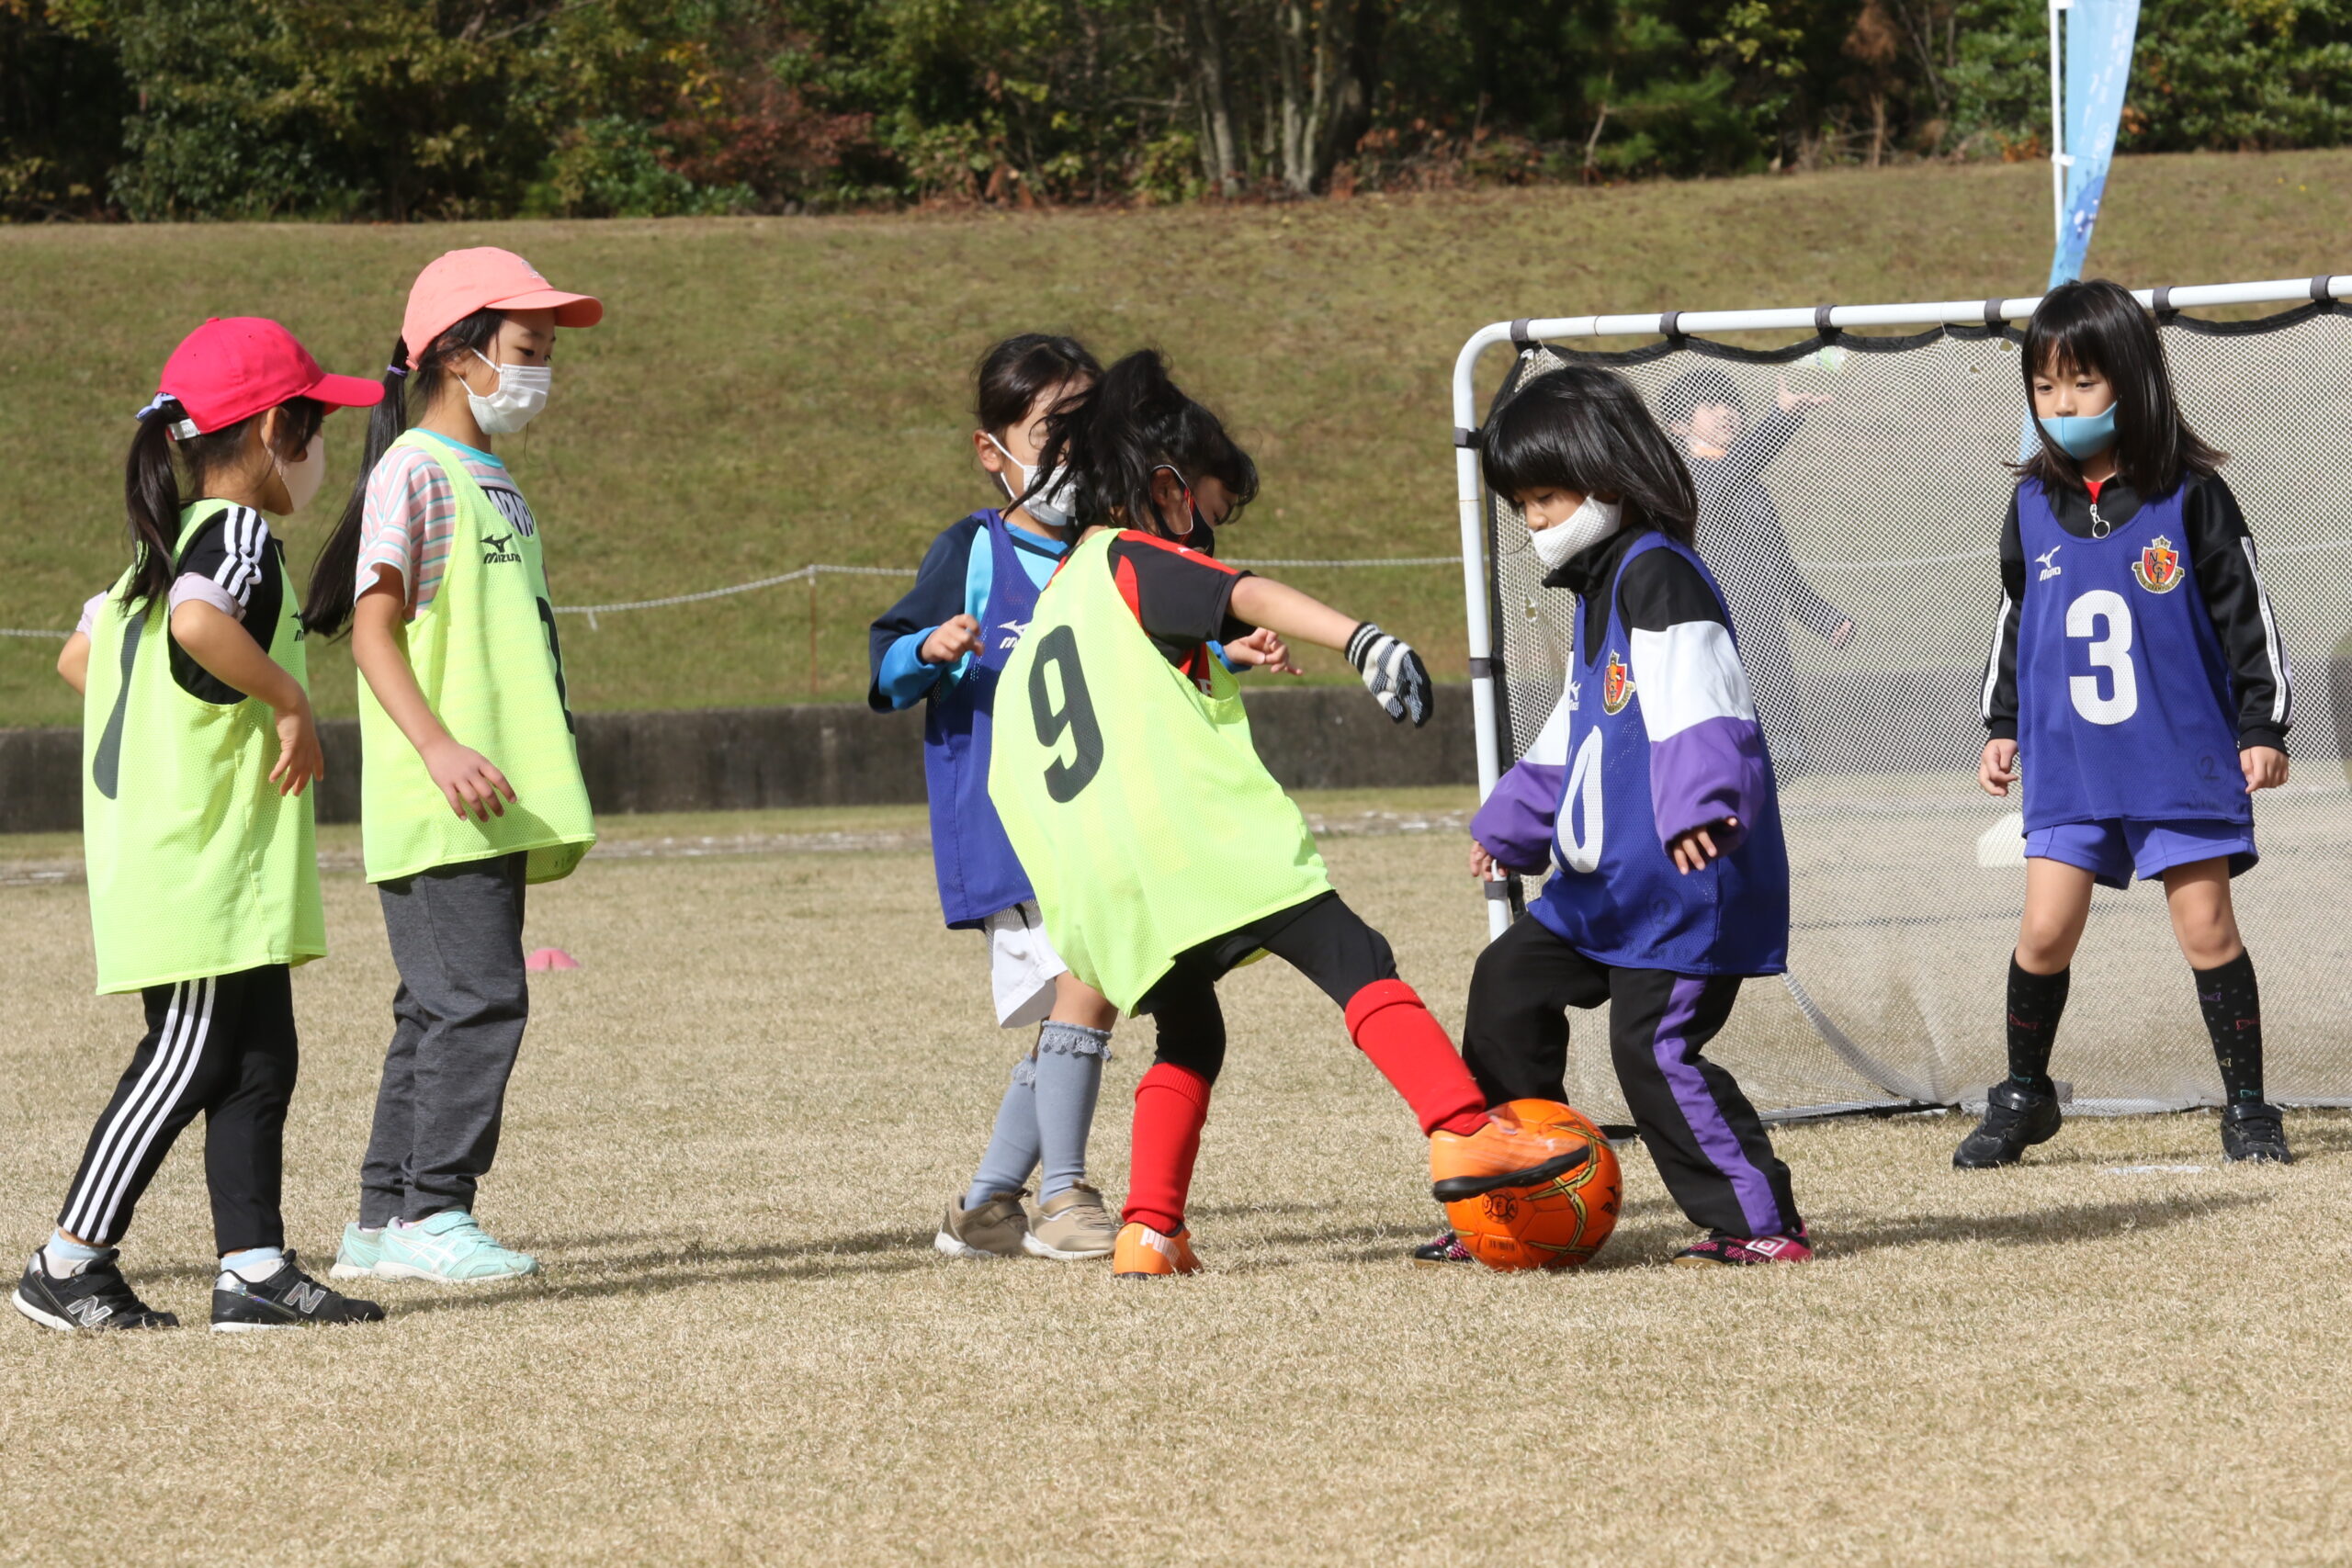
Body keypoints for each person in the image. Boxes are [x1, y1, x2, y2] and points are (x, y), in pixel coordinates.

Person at [987, 350, 1589, 1279]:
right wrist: (1362, 636)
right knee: (1356, 957)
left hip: (1107, 883)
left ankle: (1149, 1230)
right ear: (1170, 491)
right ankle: (1466, 1133)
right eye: (1211, 519)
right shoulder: (1133, 555)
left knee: (1191, 1034)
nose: (1210, 545)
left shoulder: (1058, 601)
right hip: (1194, 841)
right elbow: (1240, 593)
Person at [14, 318, 387, 1334]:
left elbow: (83, 660)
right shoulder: (233, 535)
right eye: (314, 430)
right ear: (275, 431)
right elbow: (195, 626)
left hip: (199, 854)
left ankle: (255, 1269)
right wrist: (287, 701)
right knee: (192, 1054)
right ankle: (67, 1259)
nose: (318, 458)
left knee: (260, 1052)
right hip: (197, 860)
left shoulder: (161, 543)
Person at [1416, 364, 1810, 1268]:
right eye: (1521, 504)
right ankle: (1515, 1188)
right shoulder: (1598, 591)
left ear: (1606, 478)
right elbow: (1574, 730)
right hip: (1605, 886)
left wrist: (1701, 806)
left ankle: (1757, 1223)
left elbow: (1702, 701)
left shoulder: (1659, 576)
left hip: (1681, 882)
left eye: (1546, 497)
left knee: (1654, 1054)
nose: (1534, 521)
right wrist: (1509, 823)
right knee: (1506, 985)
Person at [301, 248, 604, 1283]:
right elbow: (375, 627)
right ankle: (437, 1209)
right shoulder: (416, 470)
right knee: (480, 999)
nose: (541, 372)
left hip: (489, 795)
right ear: (459, 356)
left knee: (434, 1005)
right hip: (445, 796)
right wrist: (438, 746)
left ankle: (383, 1221)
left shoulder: (488, 474)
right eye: (526, 350)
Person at [1963, 278, 2293, 1168]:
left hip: (2175, 762)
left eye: (2082, 382)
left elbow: (2245, 618)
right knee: (2042, 932)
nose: (2060, 404)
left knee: (2206, 931)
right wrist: (2002, 723)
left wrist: (2262, 727)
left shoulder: (2188, 498)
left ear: (2133, 383)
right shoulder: (2031, 505)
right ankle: (2025, 1096)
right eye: (2044, 386)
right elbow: (2015, 617)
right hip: (2069, 765)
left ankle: (2250, 1108)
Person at [1659, 367, 1853, 774]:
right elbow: (1735, 468)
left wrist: (1822, 618)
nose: (1726, 412)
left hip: (1763, 636)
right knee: (1718, 756)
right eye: (1711, 405)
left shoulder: (1746, 481)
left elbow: (1774, 565)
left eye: (1731, 403)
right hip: (1710, 634)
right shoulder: (1684, 478)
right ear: (1678, 424)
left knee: (1774, 763)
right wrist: (1783, 416)